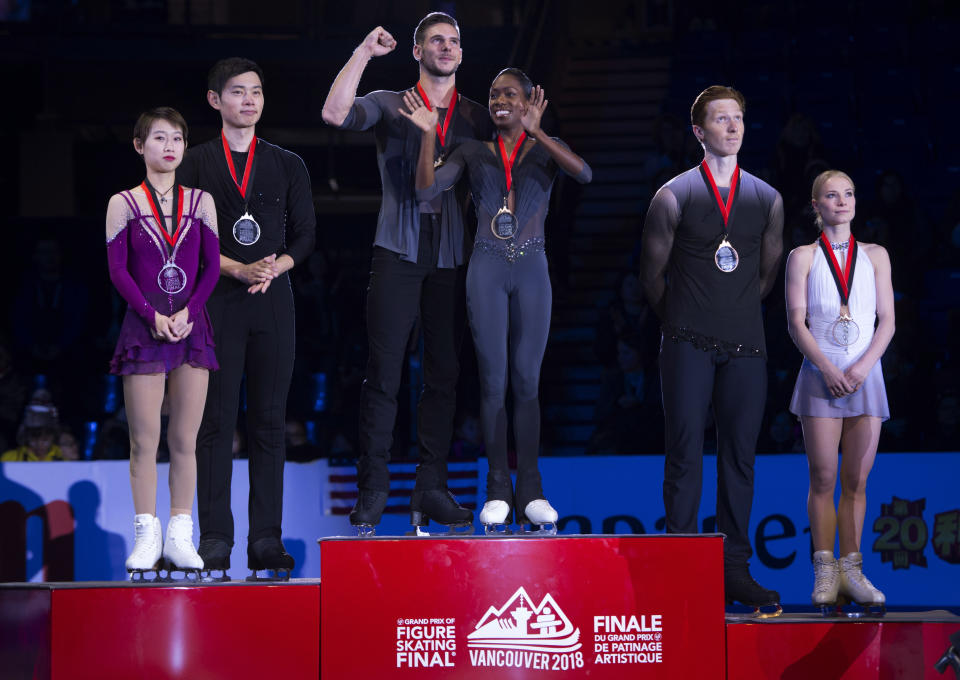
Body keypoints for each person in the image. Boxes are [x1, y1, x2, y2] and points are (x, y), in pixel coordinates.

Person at [321, 13, 494, 533]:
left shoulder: (476, 115)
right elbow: (334, 114)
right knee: (385, 372)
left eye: (455, 41)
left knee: (443, 374)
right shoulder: (391, 102)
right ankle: (374, 489)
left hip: (453, 255)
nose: (447, 47)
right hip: (395, 249)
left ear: (462, 53)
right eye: (436, 40)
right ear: (416, 52)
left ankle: (432, 486)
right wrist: (363, 52)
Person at [405, 68, 591, 531]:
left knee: (526, 381)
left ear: (529, 103)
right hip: (486, 268)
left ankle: (531, 491)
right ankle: (497, 490)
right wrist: (428, 136)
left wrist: (540, 134)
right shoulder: (472, 151)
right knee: (492, 383)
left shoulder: (544, 151)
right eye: (493, 94)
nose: (499, 99)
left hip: (532, 270)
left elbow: (583, 173)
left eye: (510, 93)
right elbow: (427, 191)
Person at [639, 85, 784, 613]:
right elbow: (651, 278)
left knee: (739, 459)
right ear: (699, 132)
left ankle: (734, 570)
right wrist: (686, 320)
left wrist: (732, 312)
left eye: (738, 118)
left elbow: (766, 276)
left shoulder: (767, 198)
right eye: (720, 120)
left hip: (747, 345)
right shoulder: (673, 195)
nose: (732, 126)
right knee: (683, 455)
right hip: (686, 343)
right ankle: (681, 567)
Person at [177, 58, 315, 579]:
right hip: (215, 301)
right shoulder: (195, 163)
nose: (249, 101)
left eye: (256, 91)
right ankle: (214, 537)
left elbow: (304, 235)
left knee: (270, 424)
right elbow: (183, 234)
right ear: (216, 100)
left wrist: (274, 266)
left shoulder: (287, 164)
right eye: (238, 92)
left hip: (273, 300)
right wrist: (235, 267)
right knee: (214, 424)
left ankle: (266, 540)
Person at [105, 107, 219, 578]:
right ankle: (146, 535)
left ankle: (180, 535)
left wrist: (188, 312)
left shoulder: (201, 201)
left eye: (177, 138)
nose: (169, 146)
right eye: (158, 138)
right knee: (143, 441)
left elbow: (211, 268)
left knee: (184, 440)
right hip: (144, 329)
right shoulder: (123, 203)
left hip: (192, 327)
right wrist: (153, 316)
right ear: (139, 145)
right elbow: (118, 270)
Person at [785, 170, 893, 613]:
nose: (842, 201)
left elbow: (887, 320)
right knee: (824, 478)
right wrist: (828, 368)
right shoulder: (803, 256)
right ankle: (825, 569)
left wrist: (864, 366)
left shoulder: (876, 255)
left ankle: (853, 569)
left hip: (866, 377)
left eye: (848, 193)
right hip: (820, 373)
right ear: (817, 205)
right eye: (832, 195)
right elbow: (796, 321)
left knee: (856, 480)